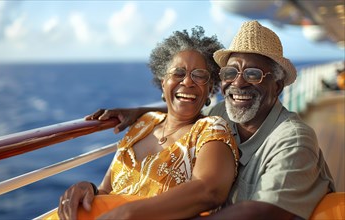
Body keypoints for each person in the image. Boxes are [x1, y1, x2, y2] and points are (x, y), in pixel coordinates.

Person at [89, 20, 335, 219]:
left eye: (253, 74)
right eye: (231, 72)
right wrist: (140, 112)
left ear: (278, 86)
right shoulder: (223, 114)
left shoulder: (292, 138)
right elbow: (185, 115)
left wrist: (131, 213)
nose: (238, 83)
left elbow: (264, 211)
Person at [56, 26, 239, 220]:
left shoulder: (210, 130)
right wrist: (88, 189)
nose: (187, 82)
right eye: (178, 73)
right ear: (163, 82)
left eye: (199, 75)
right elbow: (106, 191)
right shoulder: (143, 124)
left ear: (210, 87)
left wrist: (129, 213)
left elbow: (209, 190)